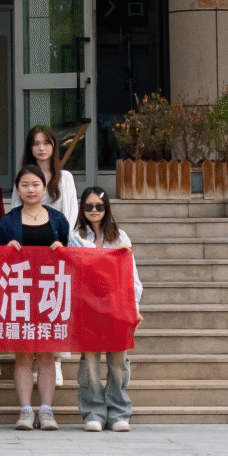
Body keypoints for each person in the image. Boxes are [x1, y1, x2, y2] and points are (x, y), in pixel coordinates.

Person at [70, 185, 141, 433]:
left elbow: (131, 275)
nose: (94, 210)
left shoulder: (121, 237)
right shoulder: (75, 237)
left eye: (99, 206)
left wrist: (135, 308)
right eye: (88, 206)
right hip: (87, 307)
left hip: (118, 306)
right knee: (89, 363)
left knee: (118, 362)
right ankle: (94, 412)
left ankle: (119, 412)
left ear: (106, 208)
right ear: (82, 209)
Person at [0, 168, 64, 431]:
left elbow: (72, 257)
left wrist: (62, 250)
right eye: (25, 185)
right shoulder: (8, 221)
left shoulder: (57, 219)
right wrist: (6, 251)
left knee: (47, 355)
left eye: (36, 184)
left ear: (44, 188)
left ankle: (46, 411)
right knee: (23, 355)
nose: (31, 189)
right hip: (20, 293)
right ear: (17, 190)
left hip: (50, 293)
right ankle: (25, 411)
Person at [16, 124, 81, 227]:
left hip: (60, 234)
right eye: (36, 144)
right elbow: (16, 209)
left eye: (46, 143)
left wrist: (67, 235)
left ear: (53, 145)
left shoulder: (65, 177)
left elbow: (72, 214)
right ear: (30, 148)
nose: (41, 148)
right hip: (29, 232)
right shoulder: (23, 178)